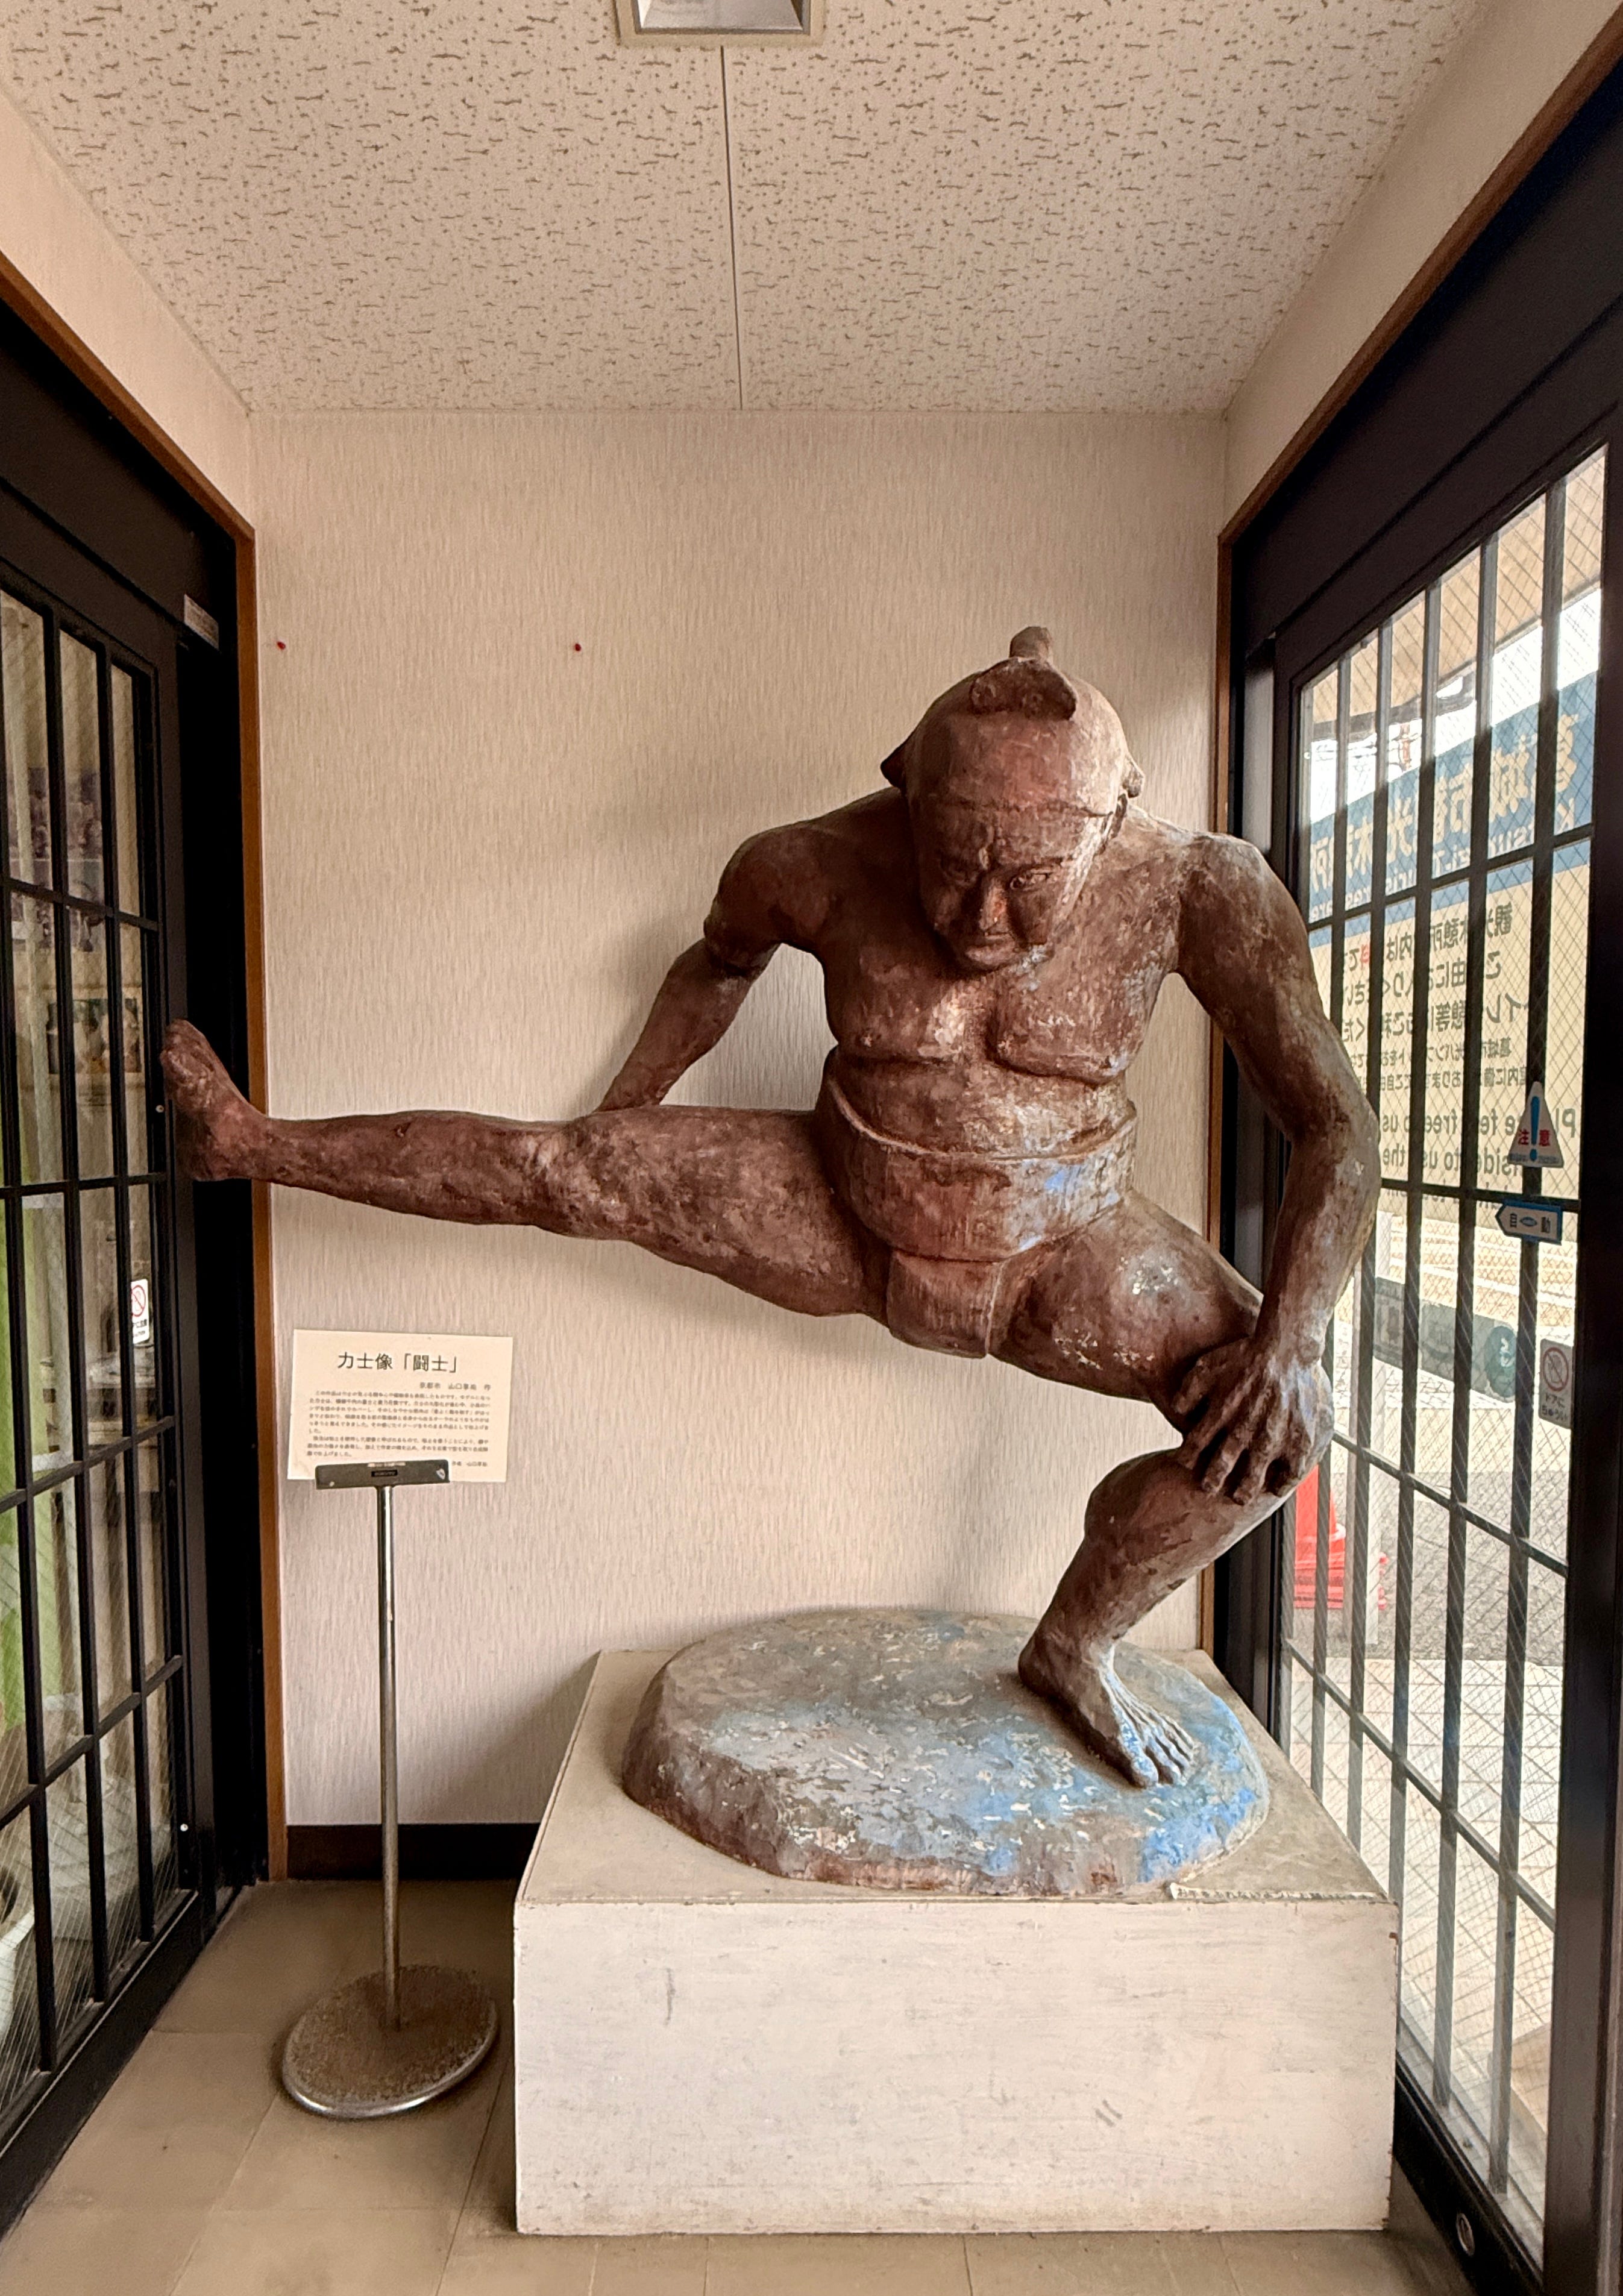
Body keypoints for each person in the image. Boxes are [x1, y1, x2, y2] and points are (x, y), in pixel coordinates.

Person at [163, 627, 1378, 1787]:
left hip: (1068, 1244)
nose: (982, 916)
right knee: (552, 1171)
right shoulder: (811, 862)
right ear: (908, 796)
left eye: (1033, 876)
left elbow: (1335, 1124)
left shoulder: (1199, 887)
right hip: (844, 1205)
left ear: (1114, 816)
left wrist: (1288, 1338)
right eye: (953, 861)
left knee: (1280, 1432)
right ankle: (247, 1140)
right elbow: (717, 965)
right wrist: (623, 1120)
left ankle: (1076, 1646)